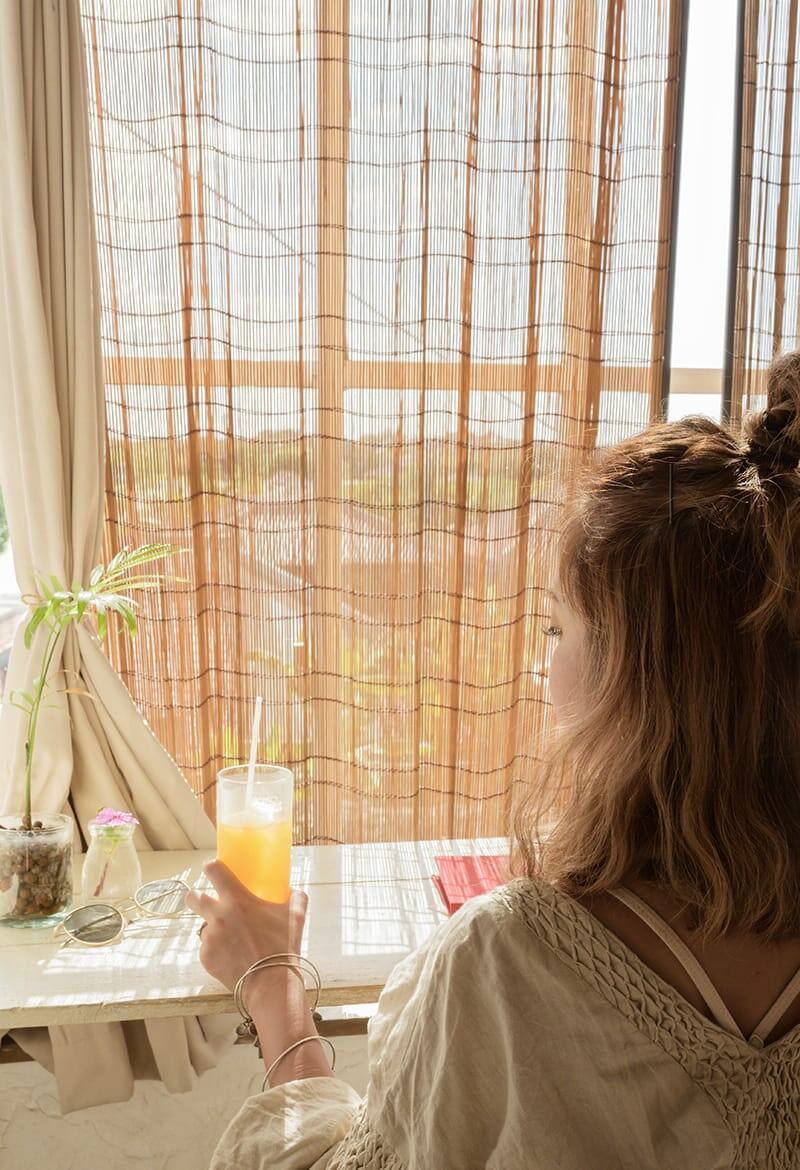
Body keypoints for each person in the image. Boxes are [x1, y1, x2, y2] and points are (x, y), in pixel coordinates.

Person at [190, 350, 800, 1169]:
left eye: (557, 629)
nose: (541, 669)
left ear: (646, 683)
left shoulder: (511, 965)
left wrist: (273, 986)